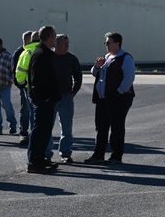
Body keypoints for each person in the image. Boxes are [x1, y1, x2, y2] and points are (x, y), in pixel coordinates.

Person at [85, 31, 135, 165]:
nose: (106, 45)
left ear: (117, 44)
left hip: (118, 99)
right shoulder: (106, 57)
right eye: (105, 43)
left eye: (108, 42)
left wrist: (118, 92)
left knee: (116, 127)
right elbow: (95, 73)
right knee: (101, 127)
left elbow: (129, 78)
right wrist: (96, 66)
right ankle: (98, 155)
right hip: (103, 99)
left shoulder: (125, 58)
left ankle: (116, 156)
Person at [25, 25, 61, 173]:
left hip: (46, 99)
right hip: (43, 100)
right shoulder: (40, 54)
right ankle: (34, 162)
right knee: (39, 131)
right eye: (55, 36)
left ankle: (40, 159)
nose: (56, 39)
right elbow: (37, 80)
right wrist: (46, 97)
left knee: (45, 131)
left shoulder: (44, 53)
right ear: (50, 37)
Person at [46, 33, 82, 163]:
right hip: (50, 97)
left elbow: (78, 76)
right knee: (47, 126)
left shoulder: (71, 59)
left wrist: (75, 90)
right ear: (56, 43)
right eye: (64, 43)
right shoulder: (48, 57)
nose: (67, 46)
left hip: (66, 96)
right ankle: (47, 154)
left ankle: (65, 153)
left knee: (67, 127)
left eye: (68, 43)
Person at [12, 31, 34, 143]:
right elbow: (15, 71)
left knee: (33, 111)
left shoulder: (33, 50)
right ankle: (24, 132)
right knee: (25, 110)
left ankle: (33, 132)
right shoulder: (20, 52)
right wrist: (20, 85)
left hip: (32, 87)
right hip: (25, 87)